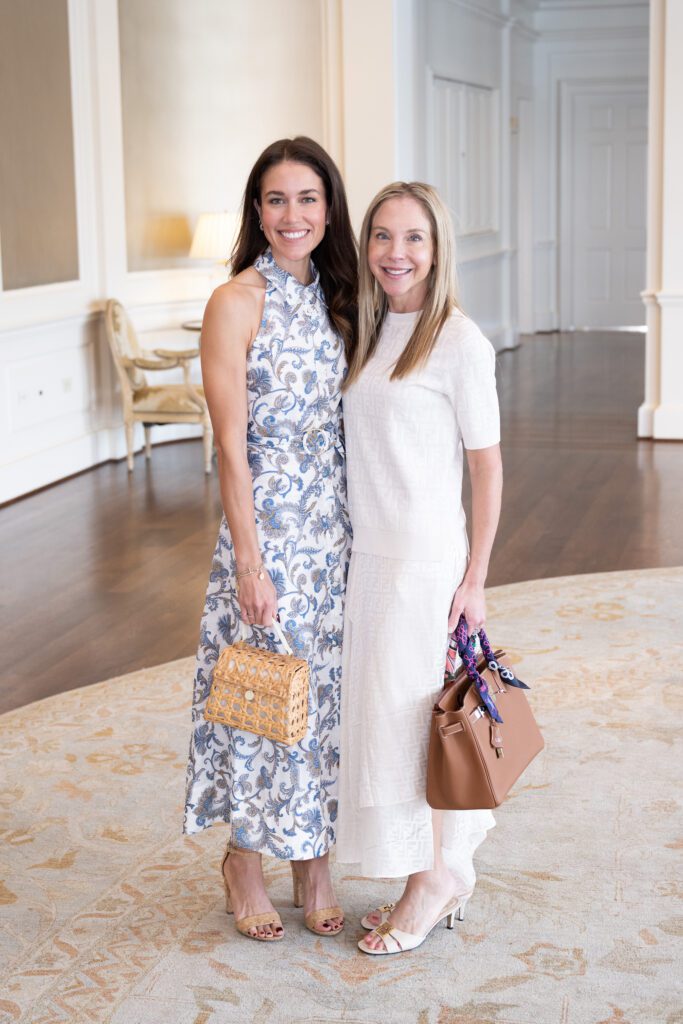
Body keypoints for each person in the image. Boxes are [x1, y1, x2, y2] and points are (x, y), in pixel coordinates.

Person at [184, 137, 356, 942]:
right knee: (261, 703)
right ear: (258, 211)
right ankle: (244, 859)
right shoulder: (235, 301)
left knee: (323, 703)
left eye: (308, 199)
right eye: (277, 200)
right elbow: (229, 443)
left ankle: (312, 859)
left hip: (338, 536)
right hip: (268, 540)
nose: (293, 216)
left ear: (329, 210)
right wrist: (249, 561)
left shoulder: (342, 297)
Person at [336, 181, 503, 956]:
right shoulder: (368, 333)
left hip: (424, 563)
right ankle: (422, 871)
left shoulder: (458, 342)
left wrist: (473, 579)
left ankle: (435, 878)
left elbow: (487, 470)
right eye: (381, 236)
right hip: (368, 558)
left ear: (436, 250)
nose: (394, 254)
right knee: (387, 725)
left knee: (421, 726)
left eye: (412, 239)